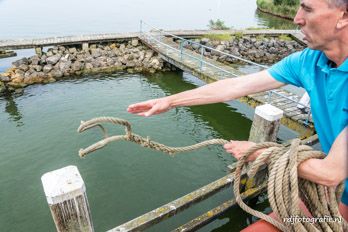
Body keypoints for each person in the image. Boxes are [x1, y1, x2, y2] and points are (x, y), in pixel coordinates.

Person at [128, 0, 348, 220]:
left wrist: (260, 153)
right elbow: (236, 86)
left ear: (344, 16)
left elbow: (330, 172)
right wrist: (171, 101)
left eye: (308, 9)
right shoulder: (308, 62)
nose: (297, 18)